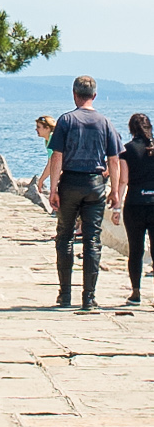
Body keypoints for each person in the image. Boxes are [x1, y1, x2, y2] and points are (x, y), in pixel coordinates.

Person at [60, 80, 123, 312]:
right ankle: (89, 296)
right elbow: (114, 160)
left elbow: (57, 156)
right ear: (94, 95)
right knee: (92, 239)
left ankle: (65, 293)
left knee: (65, 236)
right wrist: (115, 191)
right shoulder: (105, 123)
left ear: (74, 94)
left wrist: (55, 186)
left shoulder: (66, 120)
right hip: (95, 184)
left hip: (70, 181)